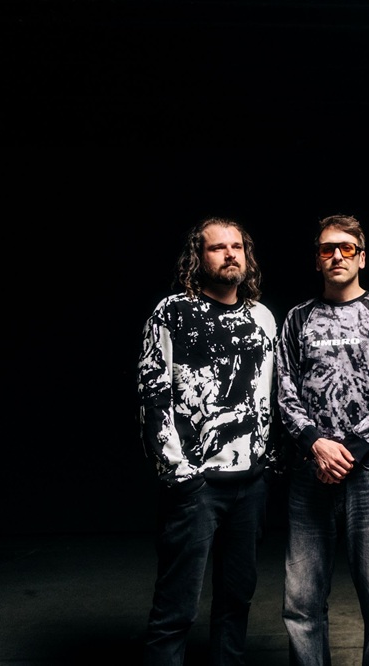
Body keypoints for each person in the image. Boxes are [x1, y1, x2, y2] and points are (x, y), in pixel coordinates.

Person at [136, 217, 279, 666]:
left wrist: (264, 462)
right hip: (195, 485)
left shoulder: (262, 317)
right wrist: (179, 475)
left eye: (237, 246)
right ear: (198, 257)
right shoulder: (172, 311)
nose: (230, 254)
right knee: (176, 609)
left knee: (237, 602)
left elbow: (268, 395)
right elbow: (152, 392)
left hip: (250, 484)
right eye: (218, 247)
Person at [276, 214, 369, 666]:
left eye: (347, 248)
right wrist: (317, 444)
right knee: (301, 601)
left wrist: (350, 450)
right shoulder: (297, 318)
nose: (337, 255)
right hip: (310, 469)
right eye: (327, 249)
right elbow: (285, 391)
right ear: (317, 260)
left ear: (361, 257)